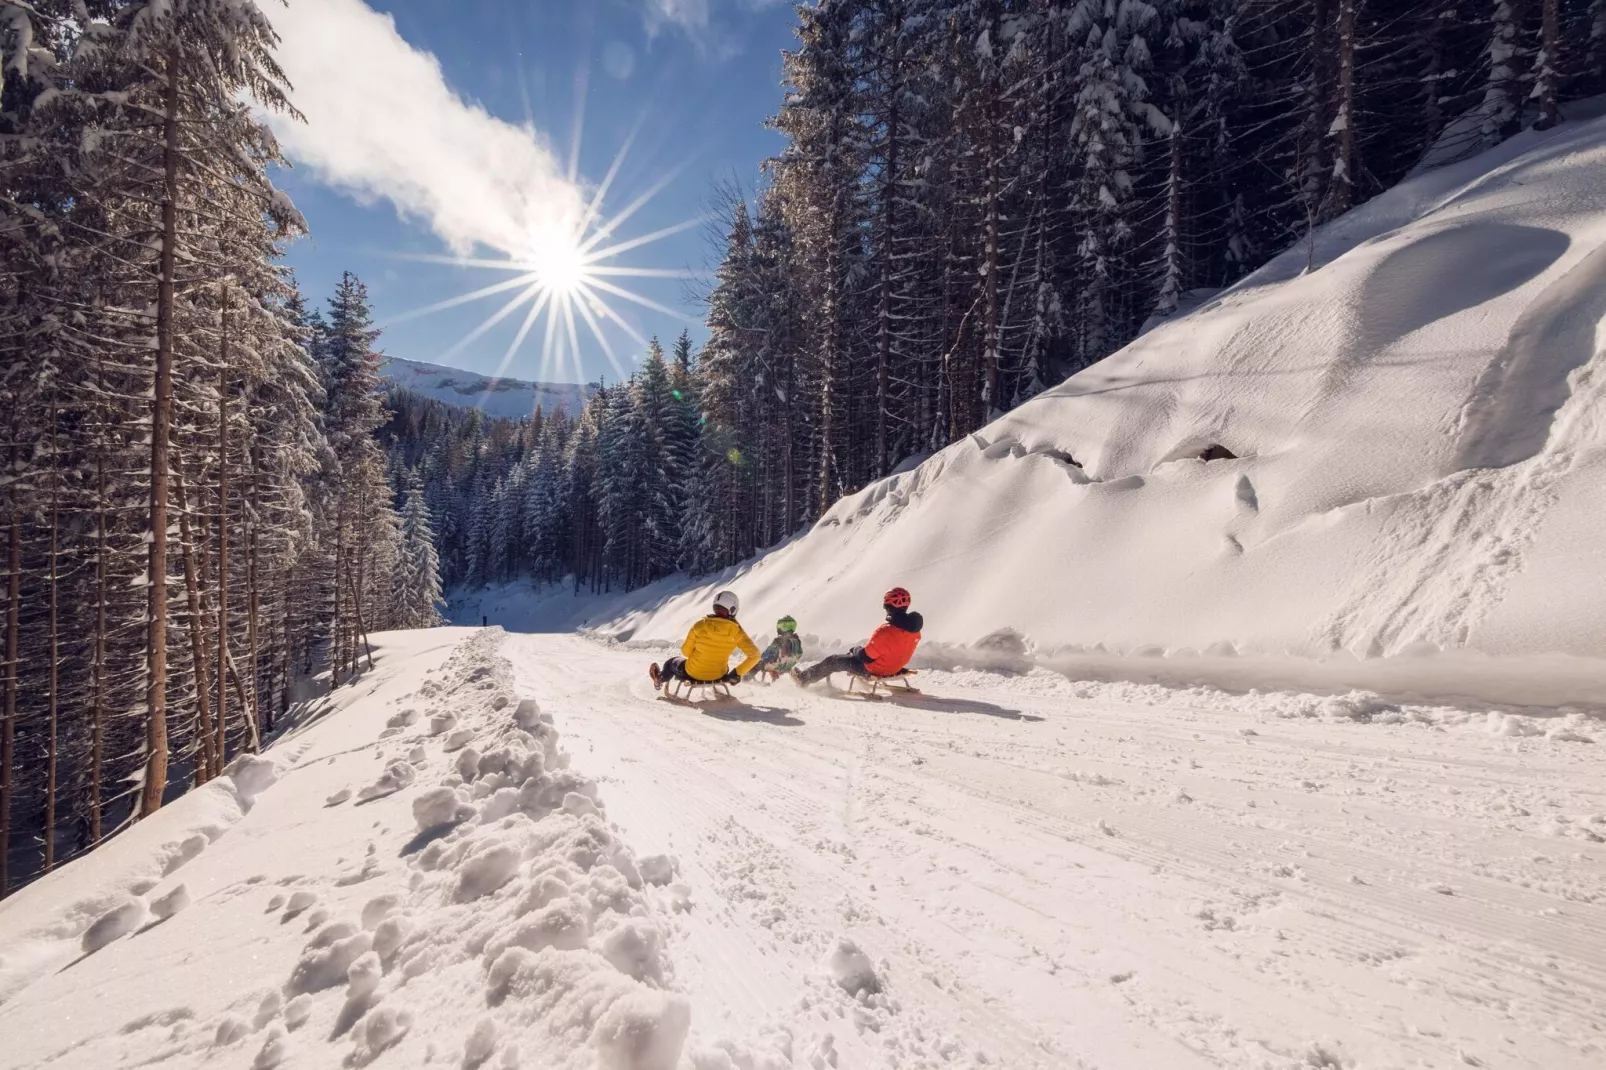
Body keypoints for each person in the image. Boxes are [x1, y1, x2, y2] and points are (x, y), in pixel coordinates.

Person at [793, 588, 922, 687]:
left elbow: (865, 657)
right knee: (853, 654)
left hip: (876, 669)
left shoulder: (885, 631)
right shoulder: (915, 631)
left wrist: (856, 650)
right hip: (896, 667)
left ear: (888, 607)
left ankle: (804, 679)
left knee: (833, 660)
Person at [650, 590, 761, 690]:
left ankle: (658, 679)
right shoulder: (737, 631)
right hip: (720, 675)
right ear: (733, 609)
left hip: (693, 673)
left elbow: (686, 652)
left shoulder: (699, 626)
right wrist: (737, 673)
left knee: (671, 663)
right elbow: (755, 655)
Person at [747, 616, 804, 682]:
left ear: (783, 627)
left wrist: (763, 659)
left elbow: (767, 654)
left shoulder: (779, 641)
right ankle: (800, 680)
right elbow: (800, 653)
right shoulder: (797, 640)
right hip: (788, 666)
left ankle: (746, 678)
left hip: (776, 665)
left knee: (757, 663)